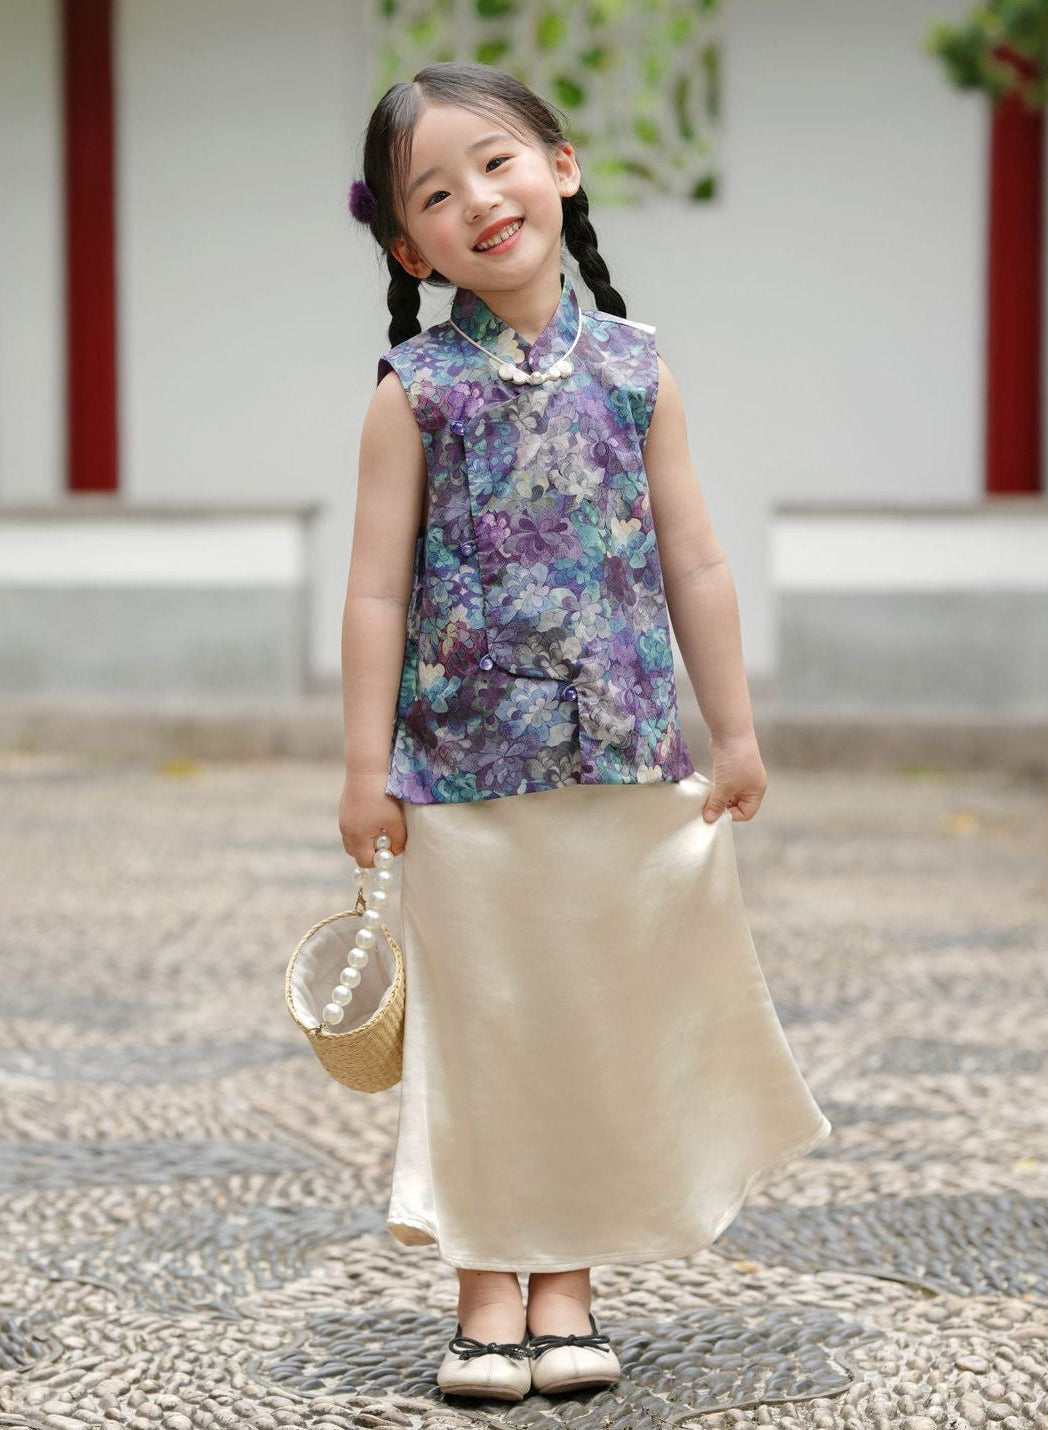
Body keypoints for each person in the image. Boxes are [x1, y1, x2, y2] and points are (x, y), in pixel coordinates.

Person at [338, 60, 832, 1402]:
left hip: (621, 757)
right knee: (488, 1023)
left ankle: (568, 1282)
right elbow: (376, 587)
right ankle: (484, 1284)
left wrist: (728, 734)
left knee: (596, 1018)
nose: (476, 201)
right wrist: (362, 768)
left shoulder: (635, 371)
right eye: (434, 193)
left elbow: (698, 563)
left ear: (559, 165)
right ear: (406, 241)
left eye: (495, 162)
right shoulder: (413, 390)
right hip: (458, 773)